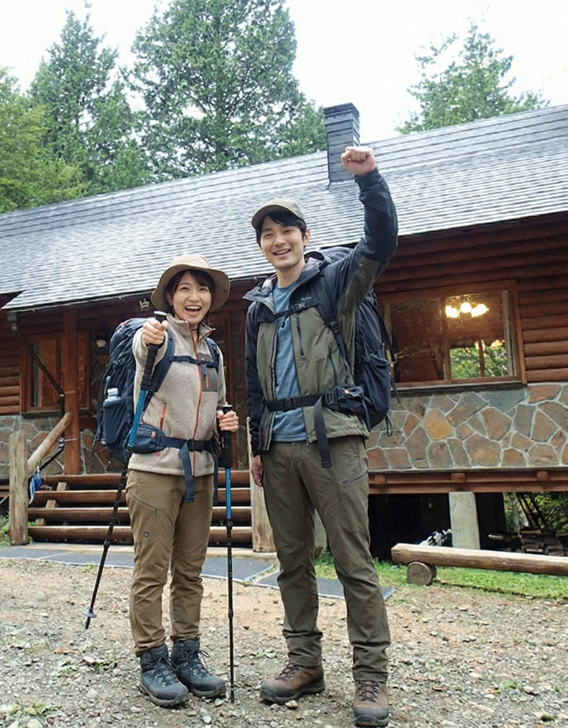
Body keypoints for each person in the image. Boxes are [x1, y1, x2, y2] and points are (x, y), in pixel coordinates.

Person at [243, 146, 398, 727]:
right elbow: (255, 384)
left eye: (286, 230)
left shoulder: (335, 282)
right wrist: (257, 448)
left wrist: (370, 181)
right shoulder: (257, 305)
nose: (277, 240)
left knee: (353, 558)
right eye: (267, 234)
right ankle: (304, 662)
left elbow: (381, 243)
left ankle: (370, 677)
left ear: (305, 236)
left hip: (334, 437)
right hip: (278, 447)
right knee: (291, 561)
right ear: (260, 246)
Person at [127, 254, 240, 707]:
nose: (195, 297)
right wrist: (148, 335)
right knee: (152, 571)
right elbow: (141, 347)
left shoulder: (213, 351)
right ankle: (152, 659)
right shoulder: (154, 338)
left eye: (203, 289)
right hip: (154, 469)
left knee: (190, 572)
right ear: (170, 297)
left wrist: (224, 423)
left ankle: (187, 654)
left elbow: (217, 408)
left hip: (202, 470)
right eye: (185, 289)